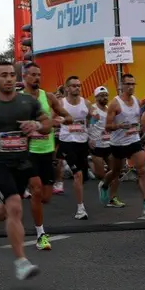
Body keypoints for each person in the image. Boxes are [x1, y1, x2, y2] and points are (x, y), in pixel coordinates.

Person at [0, 61, 50, 280]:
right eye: (3, 75)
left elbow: (47, 123)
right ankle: (21, 262)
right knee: (15, 206)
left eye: (11, 75)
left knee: (7, 209)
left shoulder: (28, 102)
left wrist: (37, 125)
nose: (8, 79)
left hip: (22, 162)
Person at [104, 73, 145, 216]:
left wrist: (139, 130)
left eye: (133, 84)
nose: (131, 87)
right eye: (128, 84)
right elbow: (107, 126)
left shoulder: (137, 101)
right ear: (121, 85)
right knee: (116, 172)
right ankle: (104, 185)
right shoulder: (115, 103)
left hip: (133, 140)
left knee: (142, 170)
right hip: (118, 143)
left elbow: (137, 120)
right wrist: (120, 126)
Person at [20, 63, 57, 249]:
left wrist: (58, 120)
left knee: (46, 197)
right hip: (29, 151)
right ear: (24, 77)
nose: (37, 78)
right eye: (33, 74)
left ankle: (24, 197)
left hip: (47, 150)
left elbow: (66, 116)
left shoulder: (48, 97)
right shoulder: (18, 99)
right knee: (36, 190)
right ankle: (40, 234)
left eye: (39, 74)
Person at [53, 75, 90, 220]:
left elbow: (89, 120)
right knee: (78, 174)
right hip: (67, 142)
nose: (77, 88)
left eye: (79, 85)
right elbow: (51, 118)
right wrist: (59, 121)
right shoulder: (61, 103)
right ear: (67, 88)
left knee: (83, 177)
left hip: (82, 142)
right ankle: (81, 209)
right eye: (74, 85)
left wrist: (91, 136)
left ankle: (65, 170)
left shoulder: (86, 103)